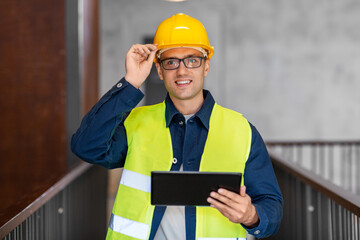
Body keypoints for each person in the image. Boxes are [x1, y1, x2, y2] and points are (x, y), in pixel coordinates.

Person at [71, 13, 283, 240]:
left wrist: (251, 215)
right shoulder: (136, 124)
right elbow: (86, 146)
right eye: (171, 62)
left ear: (206, 66)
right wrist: (131, 82)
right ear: (160, 71)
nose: (182, 71)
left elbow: (271, 206)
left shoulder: (242, 131)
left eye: (192, 60)